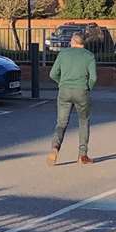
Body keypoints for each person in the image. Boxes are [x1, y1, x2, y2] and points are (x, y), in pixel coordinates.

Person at [48, 32, 96, 165]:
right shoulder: (89, 56)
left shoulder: (63, 54)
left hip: (64, 91)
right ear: (83, 42)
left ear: (72, 41)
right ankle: (82, 155)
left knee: (61, 123)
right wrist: (87, 88)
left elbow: (53, 74)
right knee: (83, 121)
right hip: (81, 91)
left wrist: (61, 83)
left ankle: (55, 147)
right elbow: (93, 78)